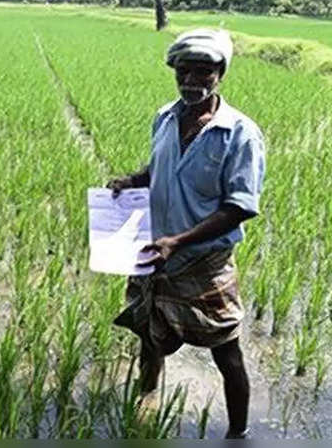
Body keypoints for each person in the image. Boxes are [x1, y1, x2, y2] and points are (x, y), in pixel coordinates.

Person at [108, 29, 265, 439]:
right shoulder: (165, 117)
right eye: (184, 71)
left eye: (204, 72)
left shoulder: (240, 133)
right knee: (148, 331)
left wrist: (177, 242)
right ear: (174, 72)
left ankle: (238, 431)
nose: (192, 81)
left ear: (220, 74)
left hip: (203, 262)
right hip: (154, 253)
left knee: (227, 350)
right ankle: (148, 394)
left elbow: (239, 207)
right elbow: (159, 169)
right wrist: (131, 180)